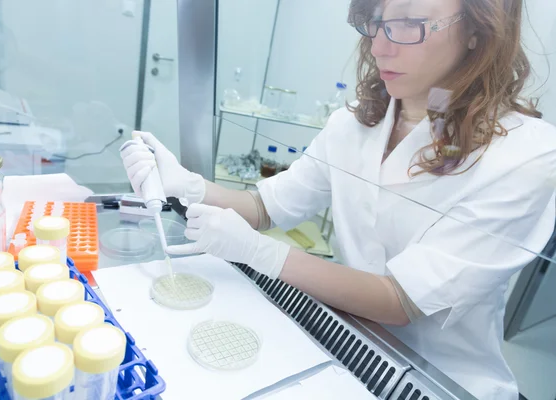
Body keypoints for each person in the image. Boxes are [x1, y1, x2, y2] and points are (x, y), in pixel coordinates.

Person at [121, 0, 556, 398]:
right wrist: (188, 184)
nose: (380, 47)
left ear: (479, 31)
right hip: (348, 340)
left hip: (445, 379)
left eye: (409, 24)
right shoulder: (352, 124)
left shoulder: (526, 155)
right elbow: (265, 208)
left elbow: (400, 300)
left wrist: (260, 253)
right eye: (376, 23)